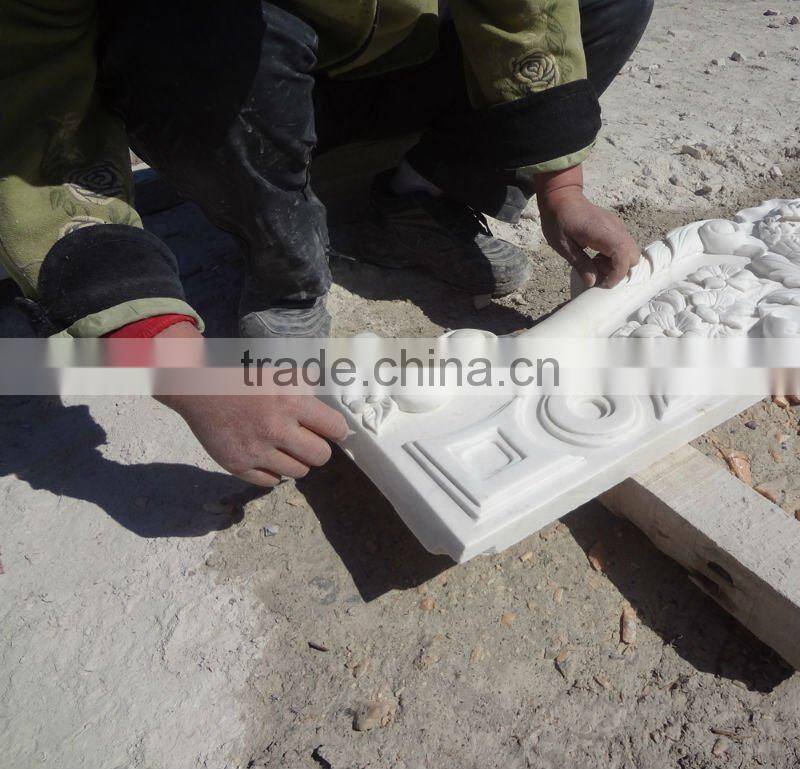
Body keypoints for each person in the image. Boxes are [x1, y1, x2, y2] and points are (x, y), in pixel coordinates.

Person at [0, 0, 652, 486]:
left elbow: (526, 13)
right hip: (232, 76)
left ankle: (416, 200)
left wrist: (560, 185)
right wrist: (185, 373)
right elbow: (31, 109)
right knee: (194, 27)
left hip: (388, 54)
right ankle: (284, 262)